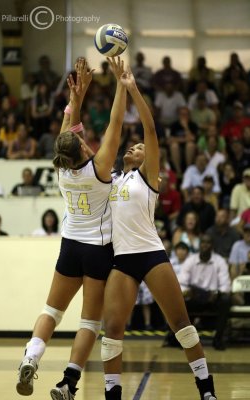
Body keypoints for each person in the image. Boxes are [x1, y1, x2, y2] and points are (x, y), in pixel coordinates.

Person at [102, 67, 217, 400]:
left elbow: (150, 128)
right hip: (122, 259)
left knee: (180, 322)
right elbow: (112, 128)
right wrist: (115, 92)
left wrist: (132, 87)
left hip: (152, 255)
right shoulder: (111, 180)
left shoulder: (147, 178)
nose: (134, 148)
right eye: (132, 146)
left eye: (139, 148)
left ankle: (206, 389)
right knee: (111, 331)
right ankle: (112, 394)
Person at [16, 57, 126, 399]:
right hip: (97, 249)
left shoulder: (63, 170)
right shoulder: (100, 168)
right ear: (81, 146)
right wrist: (122, 84)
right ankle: (68, 380)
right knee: (89, 323)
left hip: (70, 245)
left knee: (51, 311)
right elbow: (116, 122)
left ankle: (32, 356)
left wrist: (76, 97)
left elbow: (68, 128)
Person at [178, 235, 231, 350]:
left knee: (225, 300)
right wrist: (187, 291)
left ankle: (218, 339)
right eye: (203, 242)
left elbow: (225, 285)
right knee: (180, 300)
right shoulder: (190, 260)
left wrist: (217, 293)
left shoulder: (219, 261)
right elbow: (181, 283)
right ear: (199, 245)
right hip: (195, 297)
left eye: (208, 243)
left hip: (213, 298)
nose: (205, 245)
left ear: (212, 246)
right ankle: (185, 340)